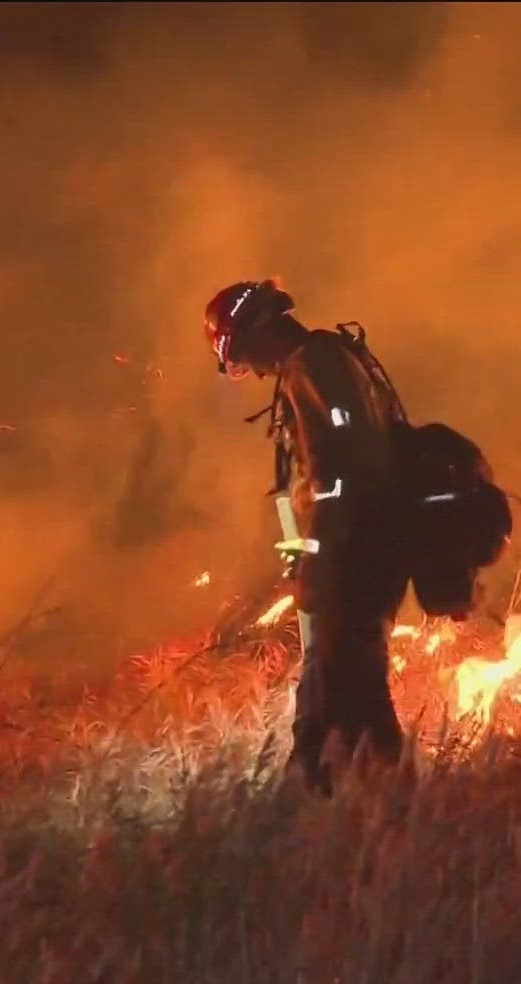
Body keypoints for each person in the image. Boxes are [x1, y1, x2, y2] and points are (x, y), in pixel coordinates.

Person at [205, 279, 410, 794]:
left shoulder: (312, 367)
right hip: (362, 546)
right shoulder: (333, 358)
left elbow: (336, 468)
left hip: (351, 553)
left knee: (337, 687)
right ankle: (365, 797)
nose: (252, 370)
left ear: (255, 335)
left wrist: (318, 555)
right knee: (346, 686)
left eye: (246, 356)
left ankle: (325, 801)